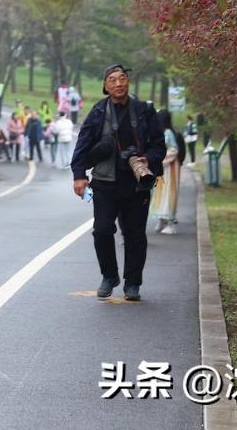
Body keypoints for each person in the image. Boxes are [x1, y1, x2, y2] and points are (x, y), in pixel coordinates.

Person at [70, 64, 167, 301]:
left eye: (122, 78)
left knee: (135, 234)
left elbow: (159, 145)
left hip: (137, 183)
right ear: (105, 86)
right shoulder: (97, 112)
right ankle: (109, 276)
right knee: (102, 230)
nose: (118, 83)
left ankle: (132, 283)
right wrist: (79, 176)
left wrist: (148, 159)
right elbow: (82, 146)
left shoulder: (144, 111)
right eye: (112, 80)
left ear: (128, 82)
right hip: (105, 183)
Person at [151, 111, 181, 234]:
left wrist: (160, 158)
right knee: (160, 193)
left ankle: (170, 223)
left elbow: (174, 149)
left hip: (169, 169)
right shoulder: (163, 132)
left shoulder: (168, 133)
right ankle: (162, 220)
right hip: (162, 169)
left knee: (168, 193)